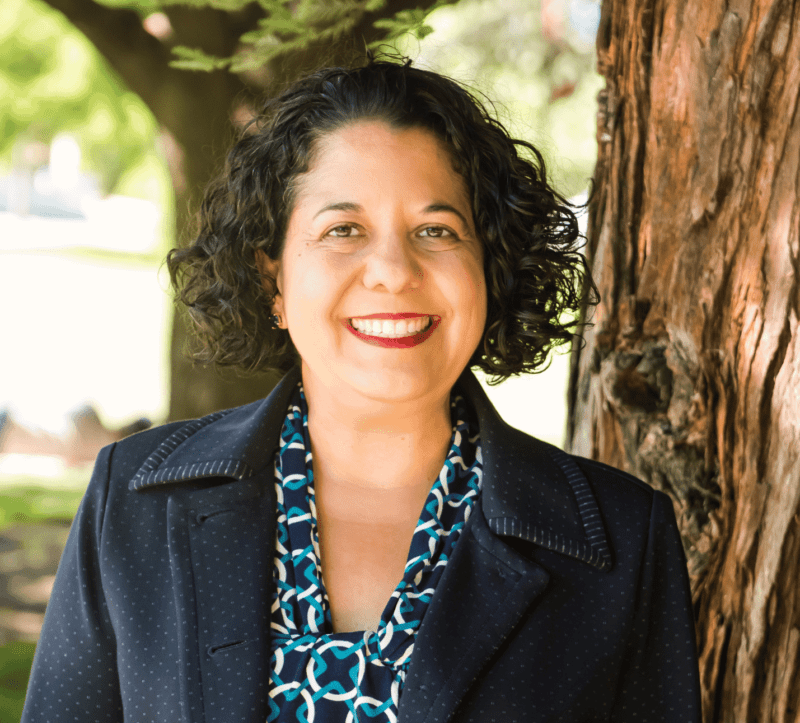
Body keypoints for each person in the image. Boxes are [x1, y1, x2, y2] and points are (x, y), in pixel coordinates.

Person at [22, 56, 702, 722]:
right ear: (272, 281)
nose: (393, 270)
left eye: (436, 230)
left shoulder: (618, 541)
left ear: (490, 271)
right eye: (342, 230)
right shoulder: (137, 500)